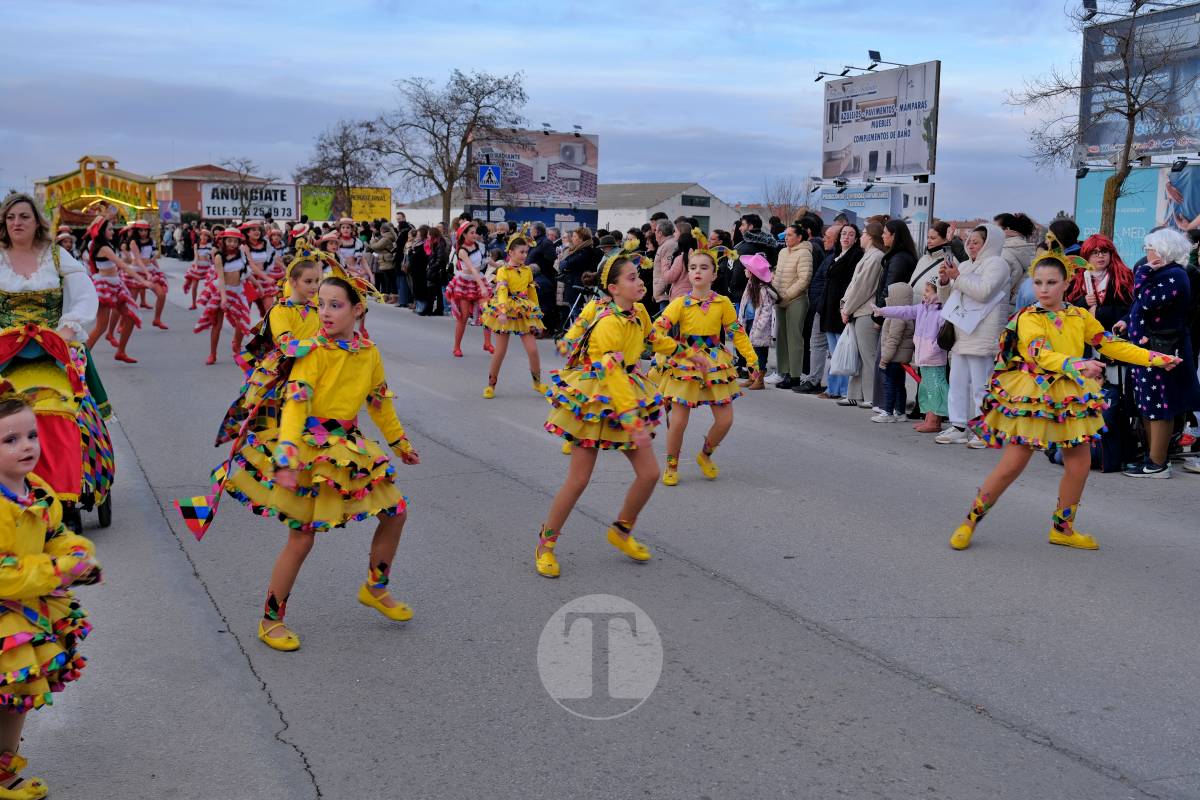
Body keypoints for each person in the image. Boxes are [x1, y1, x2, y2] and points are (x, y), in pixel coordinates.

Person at [209, 276, 420, 651]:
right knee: (302, 537)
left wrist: (399, 441)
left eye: (334, 305)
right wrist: (287, 454)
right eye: (320, 303)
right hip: (308, 448)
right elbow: (295, 404)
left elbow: (379, 401)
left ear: (357, 310)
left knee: (395, 512)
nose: (324, 312)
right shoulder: (311, 352)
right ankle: (271, 620)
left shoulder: (368, 352)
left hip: (349, 448)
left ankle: (375, 587)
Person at [949, 246, 1182, 551]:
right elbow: (1039, 354)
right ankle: (969, 521)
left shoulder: (1079, 316)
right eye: (1038, 282)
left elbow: (1110, 345)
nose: (1043, 289)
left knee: (1079, 465)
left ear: (1066, 284)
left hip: (1070, 396)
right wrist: (1078, 364)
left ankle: (1063, 528)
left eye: (1051, 282)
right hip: (1035, 397)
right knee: (1011, 466)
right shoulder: (1029, 318)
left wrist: (1154, 358)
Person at [535, 250, 679, 578]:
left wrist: (688, 354)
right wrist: (632, 420)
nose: (639, 282)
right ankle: (546, 544)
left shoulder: (639, 311)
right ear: (613, 288)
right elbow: (612, 375)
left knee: (649, 474)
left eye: (638, 276)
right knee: (579, 480)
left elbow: (655, 339)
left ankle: (621, 530)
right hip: (598, 399)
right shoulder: (608, 323)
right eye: (632, 278)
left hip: (628, 393)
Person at [0, 387, 100, 800]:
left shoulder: (37, 489)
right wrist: (59, 570)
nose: (26, 446)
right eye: (10, 440)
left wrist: (78, 554)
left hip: (26, 613)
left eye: (31, 435)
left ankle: (3, 770)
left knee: (16, 696)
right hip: (10, 606)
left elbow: (55, 533)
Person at [656, 248, 759, 486]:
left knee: (725, 420)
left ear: (714, 274)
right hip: (686, 363)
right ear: (688, 274)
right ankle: (672, 465)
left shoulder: (723, 303)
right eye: (693, 268)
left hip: (715, 364)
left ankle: (705, 455)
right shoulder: (679, 303)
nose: (697, 272)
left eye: (704, 268)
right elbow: (658, 329)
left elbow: (737, 333)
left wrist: (752, 360)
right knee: (679, 421)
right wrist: (665, 353)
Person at [1118, 228, 1200, 477]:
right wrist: (1126, 320)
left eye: (1150, 248)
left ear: (1163, 249)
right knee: (1147, 403)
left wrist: (1142, 273)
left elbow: (1147, 301)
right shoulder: (1163, 273)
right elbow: (1138, 306)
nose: (1147, 253)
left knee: (1159, 405)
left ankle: (1157, 462)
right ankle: (1151, 458)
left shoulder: (1174, 275)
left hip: (1162, 348)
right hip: (1149, 348)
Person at [934, 224, 1014, 447]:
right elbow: (950, 298)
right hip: (962, 332)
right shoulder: (967, 265)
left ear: (989, 244)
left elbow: (984, 291)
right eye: (968, 241)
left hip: (982, 333)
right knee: (957, 381)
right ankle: (958, 425)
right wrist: (944, 282)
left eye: (976, 241)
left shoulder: (998, 264)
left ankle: (985, 429)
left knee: (982, 384)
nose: (970, 245)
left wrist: (957, 277)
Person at [875, 274, 949, 432]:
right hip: (924, 357)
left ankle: (935, 421)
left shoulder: (941, 311)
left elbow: (945, 332)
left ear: (938, 292)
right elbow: (904, 310)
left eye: (928, 291)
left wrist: (934, 347)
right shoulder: (922, 308)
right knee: (927, 389)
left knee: (935, 389)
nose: (925, 294)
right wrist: (883, 311)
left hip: (934, 357)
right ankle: (929, 418)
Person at [480, 234, 547, 398]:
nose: (524, 255)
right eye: (521, 252)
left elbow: (532, 293)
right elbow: (502, 292)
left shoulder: (527, 271)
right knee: (500, 351)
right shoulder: (503, 271)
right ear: (510, 253)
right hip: (505, 310)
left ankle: (537, 383)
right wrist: (502, 312)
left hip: (523, 311)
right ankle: (491, 386)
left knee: (532, 350)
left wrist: (537, 315)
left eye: (526, 252)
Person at [194, 228, 265, 365]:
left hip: (238, 292)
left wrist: (259, 285)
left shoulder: (241, 255)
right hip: (222, 291)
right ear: (224, 241)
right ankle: (213, 354)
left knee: (242, 321)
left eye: (235, 241)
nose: (232, 244)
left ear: (239, 242)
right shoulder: (219, 257)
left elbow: (246, 273)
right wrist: (224, 297)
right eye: (229, 241)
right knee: (217, 325)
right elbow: (220, 278)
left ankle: (237, 347)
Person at [84, 218, 149, 362]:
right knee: (101, 327)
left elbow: (119, 264)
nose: (113, 231)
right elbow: (123, 266)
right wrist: (143, 280)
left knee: (131, 316)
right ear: (102, 231)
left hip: (116, 285)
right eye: (110, 229)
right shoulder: (103, 248)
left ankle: (121, 351)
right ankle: (80, 358)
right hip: (105, 287)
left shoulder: (106, 246)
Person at [838, 222, 885, 407]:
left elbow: (863, 287)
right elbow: (854, 284)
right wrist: (845, 304)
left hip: (865, 311)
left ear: (871, 236)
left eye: (864, 233)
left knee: (868, 356)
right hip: (857, 309)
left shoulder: (876, 257)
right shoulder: (869, 256)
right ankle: (855, 394)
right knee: (857, 355)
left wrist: (847, 307)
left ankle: (872, 396)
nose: (861, 236)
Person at [795, 220, 841, 393]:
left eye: (828, 237)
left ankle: (832, 385)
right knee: (816, 344)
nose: (824, 239)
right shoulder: (830, 257)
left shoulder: (837, 259)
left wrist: (819, 303)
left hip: (828, 309)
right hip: (820, 307)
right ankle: (813, 379)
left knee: (831, 348)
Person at [819, 225, 861, 400]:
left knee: (842, 351)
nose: (846, 237)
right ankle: (832, 387)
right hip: (829, 308)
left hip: (842, 308)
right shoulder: (836, 255)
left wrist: (846, 307)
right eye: (844, 234)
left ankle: (842, 389)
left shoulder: (856, 256)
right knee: (834, 351)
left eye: (851, 234)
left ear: (856, 239)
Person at [772, 223, 814, 390]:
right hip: (779, 299)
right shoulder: (782, 252)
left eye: (790, 235)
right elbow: (778, 274)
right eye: (786, 235)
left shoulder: (804, 253)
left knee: (794, 338)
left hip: (796, 300)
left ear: (799, 237)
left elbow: (804, 279)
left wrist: (787, 294)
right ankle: (784, 371)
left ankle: (795, 374)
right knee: (781, 337)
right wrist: (774, 291)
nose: (786, 237)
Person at [445, 223, 493, 357]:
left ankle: (487, 343)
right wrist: (482, 286)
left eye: (475, 232)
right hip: (466, 281)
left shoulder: (479, 246)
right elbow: (471, 268)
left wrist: (498, 264)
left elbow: (483, 261)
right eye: (471, 233)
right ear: (464, 234)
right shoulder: (461, 250)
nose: (475, 235)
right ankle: (456, 346)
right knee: (464, 316)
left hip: (479, 278)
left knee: (487, 311)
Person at [870, 282, 916, 423]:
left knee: (889, 385)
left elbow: (893, 341)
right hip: (901, 360)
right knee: (899, 386)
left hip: (893, 358)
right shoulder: (905, 316)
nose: (887, 297)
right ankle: (900, 412)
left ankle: (887, 412)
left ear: (896, 298)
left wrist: (885, 359)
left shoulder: (896, 317)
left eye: (889, 295)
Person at [1016, 218, 1080, 310]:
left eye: (1049, 237)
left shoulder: (1071, 264)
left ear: (1060, 238)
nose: (1046, 242)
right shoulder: (1081, 257)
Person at [737, 254, 777, 391]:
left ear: (753, 273)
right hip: (749, 323)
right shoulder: (750, 287)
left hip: (758, 327)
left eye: (747, 269)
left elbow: (766, 312)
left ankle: (759, 379)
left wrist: (759, 327)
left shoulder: (763, 290)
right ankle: (752, 376)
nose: (744, 270)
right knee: (750, 352)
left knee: (759, 353)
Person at [128, 221, 169, 329]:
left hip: (149, 270)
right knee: (131, 301)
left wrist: (157, 269)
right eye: (141, 230)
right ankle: (123, 324)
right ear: (136, 231)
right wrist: (147, 272)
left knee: (162, 294)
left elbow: (152, 257)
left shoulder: (151, 241)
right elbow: (138, 259)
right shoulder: (133, 242)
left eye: (145, 230)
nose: (143, 232)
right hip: (136, 272)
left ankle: (157, 319)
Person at [995, 212, 1038, 302]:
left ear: (1007, 229)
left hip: (1007, 305)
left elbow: (997, 286)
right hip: (1023, 303)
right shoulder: (1026, 247)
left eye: (995, 229)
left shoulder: (1005, 251)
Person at [242, 220, 279, 317]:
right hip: (250, 280)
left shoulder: (265, 243)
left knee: (270, 312)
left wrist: (287, 268)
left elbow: (274, 257)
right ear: (247, 232)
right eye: (253, 230)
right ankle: (243, 331)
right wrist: (267, 278)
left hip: (264, 279)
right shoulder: (244, 246)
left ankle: (267, 331)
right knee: (245, 313)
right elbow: (252, 266)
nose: (257, 231)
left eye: (258, 229)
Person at [526, 222, 559, 332]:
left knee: (544, 305)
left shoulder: (546, 242)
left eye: (531, 230)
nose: (530, 232)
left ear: (536, 231)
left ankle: (544, 329)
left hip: (543, 279)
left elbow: (552, 259)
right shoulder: (535, 242)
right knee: (535, 303)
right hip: (533, 278)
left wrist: (539, 267)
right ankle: (535, 327)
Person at [182, 229, 214, 309]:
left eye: (206, 236)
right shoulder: (197, 245)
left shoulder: (210, 246)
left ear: (208, 238)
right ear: (200, 236)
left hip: (208, 267)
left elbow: (212, 258)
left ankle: (210, 303)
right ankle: (193, 304)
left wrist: (212, 263)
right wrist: (195, 265)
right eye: (202, 235)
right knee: (194, 286)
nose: (203, 237)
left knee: (211, 286)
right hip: (198, 266)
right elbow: (196, 256)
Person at [368, 221, 399, 304]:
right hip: (387, 260)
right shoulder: (390, 236)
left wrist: (372, 240)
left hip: (386, 261)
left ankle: (393, 297)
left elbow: (375, 246)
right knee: (389, 279)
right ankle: (389, 296)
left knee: (390, 280)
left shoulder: (385, 239)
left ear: (382, 230)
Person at [650, 220, 678, 311]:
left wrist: (657, 292)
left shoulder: (669, 245)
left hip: (665, 295)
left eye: (655, 231)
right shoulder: (665, 244)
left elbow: (666, 270)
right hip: (662, 294)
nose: (654, 233)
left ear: (660, 233)